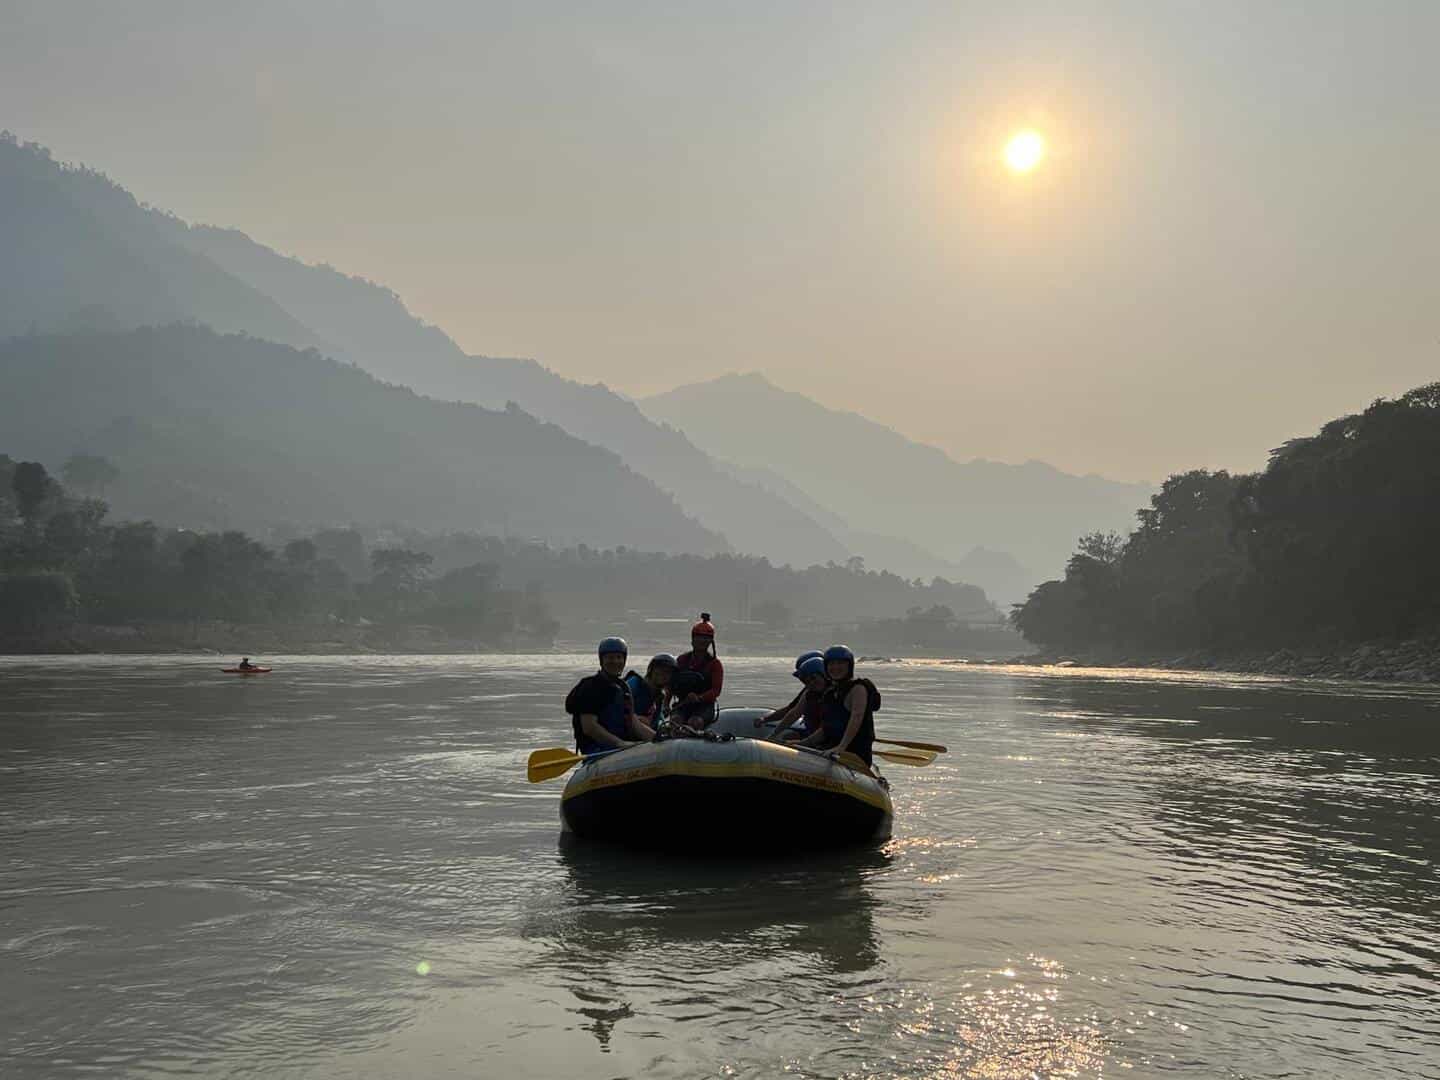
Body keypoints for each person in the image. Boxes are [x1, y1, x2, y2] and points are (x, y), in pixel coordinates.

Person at [565, 637, 655, 754]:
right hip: (597, 751)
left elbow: (633, 723)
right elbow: (589, 727)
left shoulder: (624, 688)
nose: (615, 662)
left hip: (621, 748)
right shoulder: (590, 687)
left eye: (619, 657)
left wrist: (658, 738)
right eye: (610, 658)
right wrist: (619, 743)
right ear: (602, 660)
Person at [797, 644, 880, 766]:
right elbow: (826, 729)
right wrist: (803, 743)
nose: (835, 667)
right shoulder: (830, 693)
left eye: (840, 663)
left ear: (849, 666)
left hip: (854, 754)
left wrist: (841, 747)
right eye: (831, 664)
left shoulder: (858, 688)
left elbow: (856, 718)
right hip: (830, 749)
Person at [755, 652, 826, 740]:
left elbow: (827, 727)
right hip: (812, 731)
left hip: (827, 738)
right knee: (788, 737)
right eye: (806, 680)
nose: (811, 683)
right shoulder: (809, 692)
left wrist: (805, 743)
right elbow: (794, 712)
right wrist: (773, 734)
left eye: (813, 678)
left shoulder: (834, 693)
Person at [672, 613, 723, 729]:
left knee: (695, 722)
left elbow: (716, 690)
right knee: (675, 720)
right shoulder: (681, 660)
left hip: (705, 707)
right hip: (683, 704)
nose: (701, 641)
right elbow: (671, 685)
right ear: (692, 639)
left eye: (705, 638)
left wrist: (699, 698)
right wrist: (665, 704)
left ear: (710, 641)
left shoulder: (715, 664)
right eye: (699, 637)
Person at [625, 653, 677, 730]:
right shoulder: (634, 684)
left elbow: (658, 721)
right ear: (650, 669)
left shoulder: (659, 697)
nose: (664, 674)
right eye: (660, 669)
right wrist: (638, 719)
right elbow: (617, 711)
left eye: (668, 672)